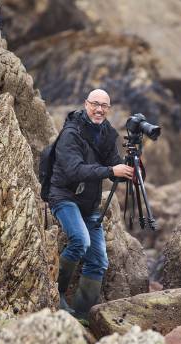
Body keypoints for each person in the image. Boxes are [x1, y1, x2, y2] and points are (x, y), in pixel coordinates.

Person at [49, 89, 134, 320]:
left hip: (89, 204)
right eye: (95, 104)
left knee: (98, 260)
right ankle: (54, 296)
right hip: (64, 196)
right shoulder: (71, 133)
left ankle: (81, 316)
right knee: (80, 240)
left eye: (104, 106)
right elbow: (73, 170)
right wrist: (109, 171)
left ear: (109, 108)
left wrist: (129, 167)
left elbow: (115, 166)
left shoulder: (106, 133)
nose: (99, 109)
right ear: (86, 104)